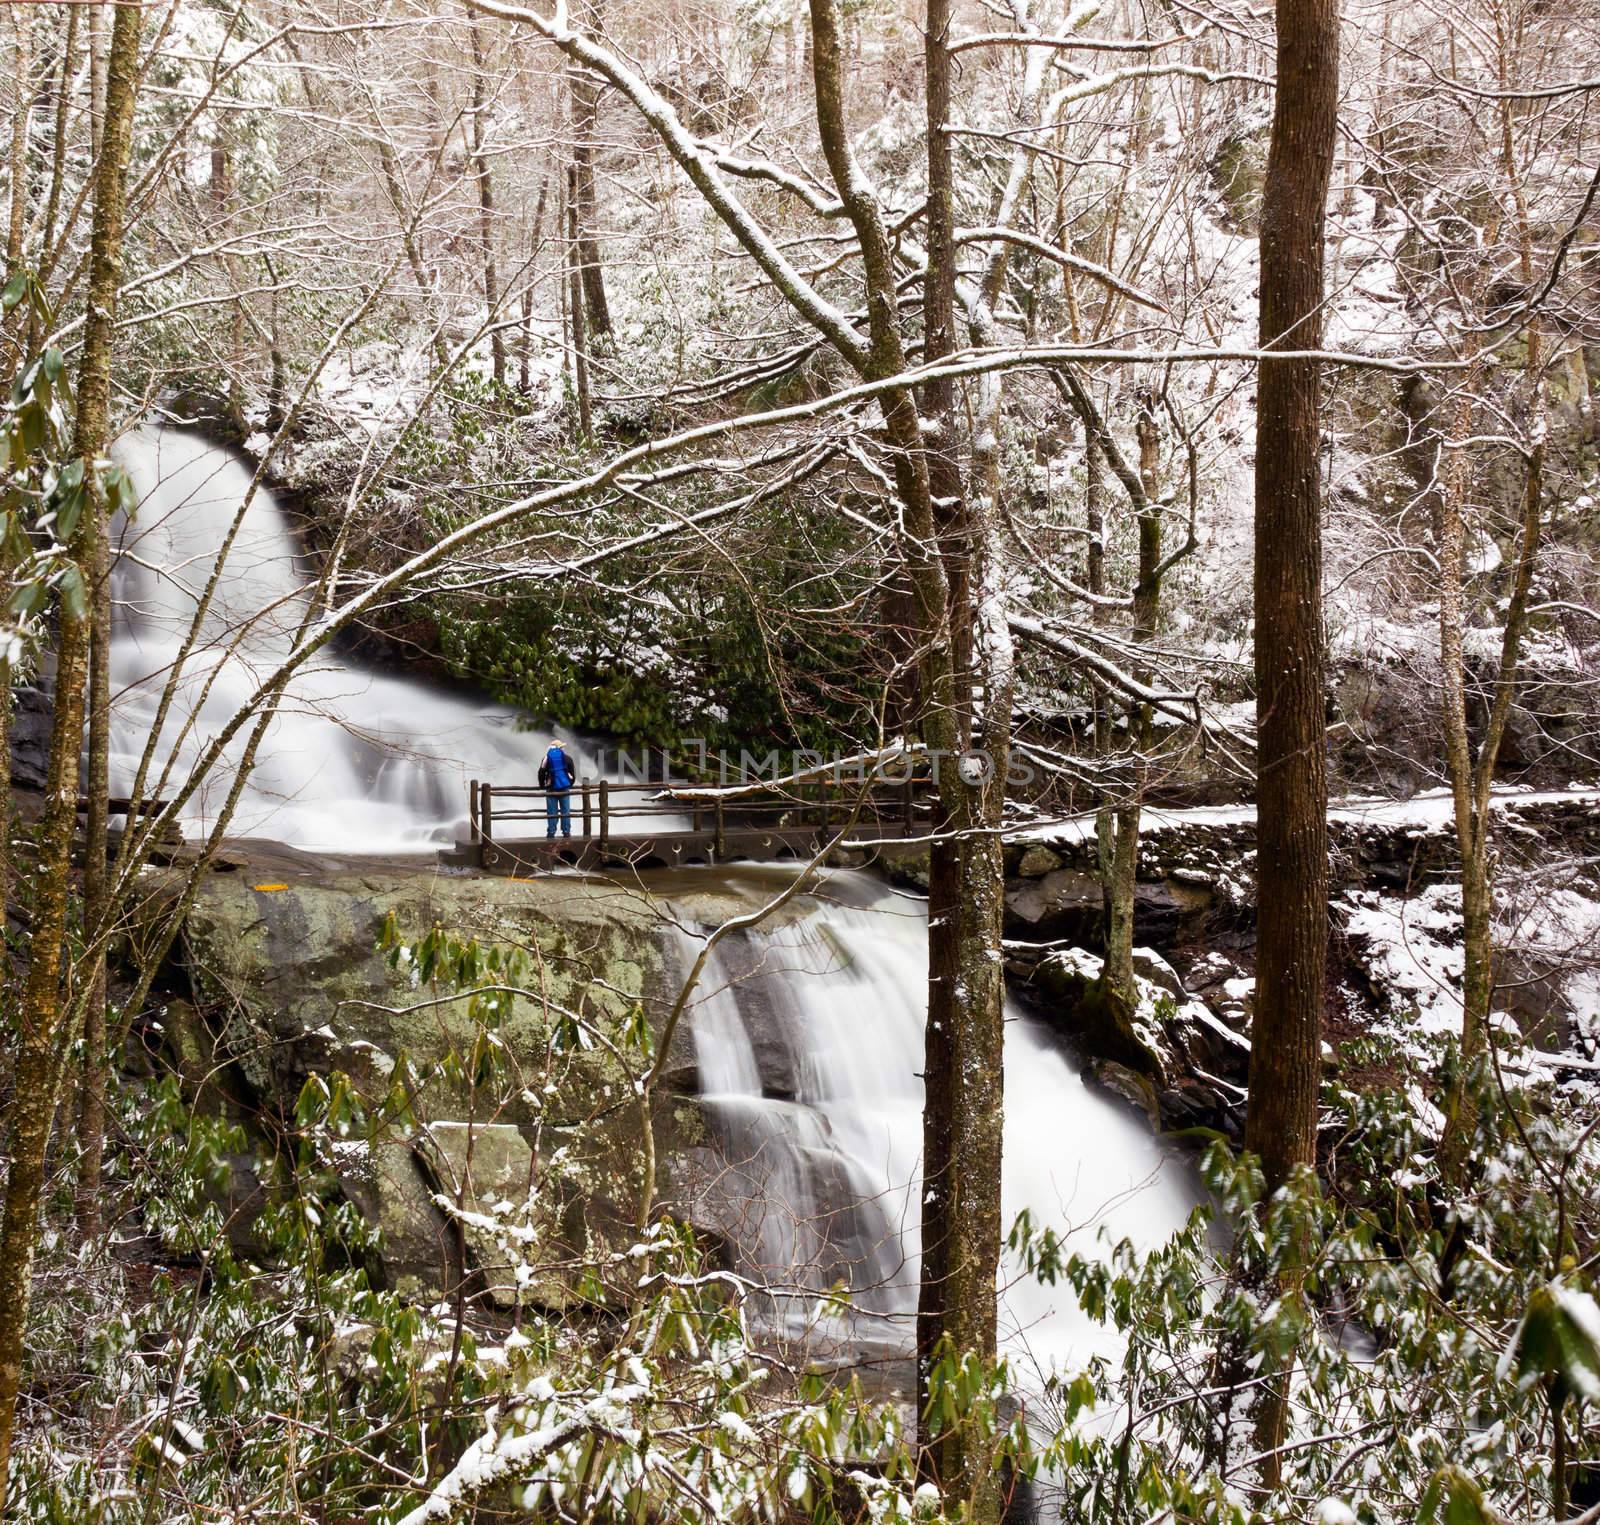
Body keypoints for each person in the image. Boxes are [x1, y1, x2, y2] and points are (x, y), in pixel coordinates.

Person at [538, 738, 577, 839]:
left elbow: (541, 773)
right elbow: (573, 774)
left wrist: (542, 785)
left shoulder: (546, 758)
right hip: (564, 788)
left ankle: (551, 832)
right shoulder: (568, 758)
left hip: (551, 788)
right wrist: (569, 784)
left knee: (552, 811)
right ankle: (566, 832)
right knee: (565, 811)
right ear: (561, 748)